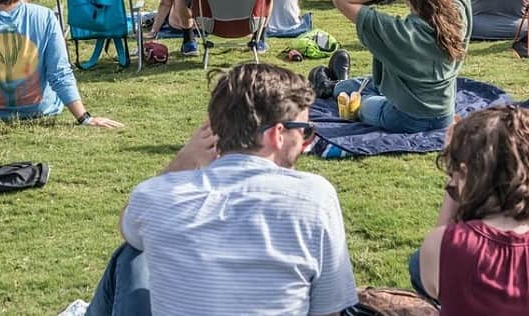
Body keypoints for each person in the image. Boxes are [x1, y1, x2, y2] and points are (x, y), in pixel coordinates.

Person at [87, 64, 357, 316]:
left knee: (131, 255)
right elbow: (328, 309)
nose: (306, 143)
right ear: (276, 135)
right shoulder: (316, 196)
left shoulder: (155, 196)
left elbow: (128, 227)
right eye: (305, 131)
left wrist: (182, 163)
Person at [411, 106, 529, 314]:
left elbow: (435, 277)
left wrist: (455, 169)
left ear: (465, 173)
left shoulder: (441, 246)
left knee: (417, 265)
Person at [330, 0, 472, 132]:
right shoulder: (456, 18)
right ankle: (338, 82)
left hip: (404, 118)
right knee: (347, 86)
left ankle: (332, 85)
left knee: (353, 97)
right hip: (445, 116)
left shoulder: (398, 31)